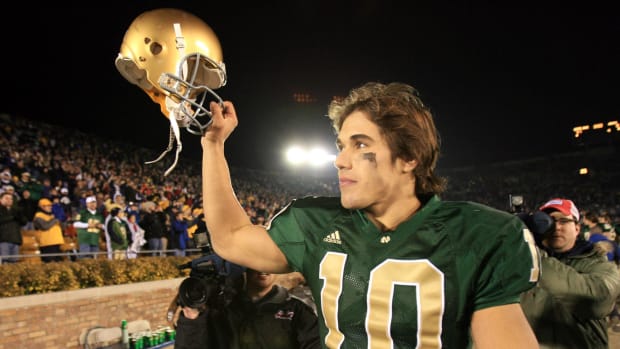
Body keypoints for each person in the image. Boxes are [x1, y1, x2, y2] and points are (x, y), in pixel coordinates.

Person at [201, 82, 541, 348]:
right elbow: (229, 238)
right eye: (341, 145)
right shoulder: (316, 224)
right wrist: (213, 146)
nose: (341, 160)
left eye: (361, 145)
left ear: (409, 157)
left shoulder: (477, 234)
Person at [520, 198, 620, 348]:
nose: (556, 227)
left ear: (577, 228)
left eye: (563, 221)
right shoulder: (522, 262)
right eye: (549, 221)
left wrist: (532, 254)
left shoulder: (599, 264)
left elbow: (597, 300)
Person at [226, 269, 321, 349]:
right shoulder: (226, 309)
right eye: (257, 264)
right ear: (246, 267)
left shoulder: (297, 309)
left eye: (269, 264)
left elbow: (314, 344)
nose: (264, 269)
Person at [32, 197, 64, 262]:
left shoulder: (51, 216)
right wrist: (55, 220)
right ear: (42, 207)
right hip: (47, 244)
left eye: (50, 206)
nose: (50, 207)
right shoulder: (38, 216)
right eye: (48, 206)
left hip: (56, 242)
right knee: (50, 263)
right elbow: (44, 226)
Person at [0, 191, 27, 263]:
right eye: (6, 198)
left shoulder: (16, 210)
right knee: (4, 260)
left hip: (15, 239)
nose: (9, 200)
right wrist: (12, 217)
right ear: (1, 199)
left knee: (14, 262)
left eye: (11, 199)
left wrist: (19, 215)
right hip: (3, 240)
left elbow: (24, 222)